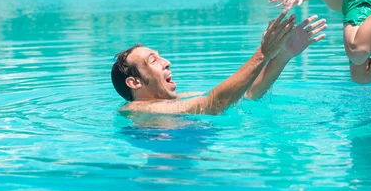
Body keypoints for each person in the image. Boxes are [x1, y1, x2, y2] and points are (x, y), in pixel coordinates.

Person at [111, 11, 327, 115]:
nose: (167, 62)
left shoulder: (180, 100)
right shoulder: (136, 110)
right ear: (134, 82)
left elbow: (245, 94)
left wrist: (282, 56)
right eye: (153, 61)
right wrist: (263, 53)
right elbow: (214, 104)